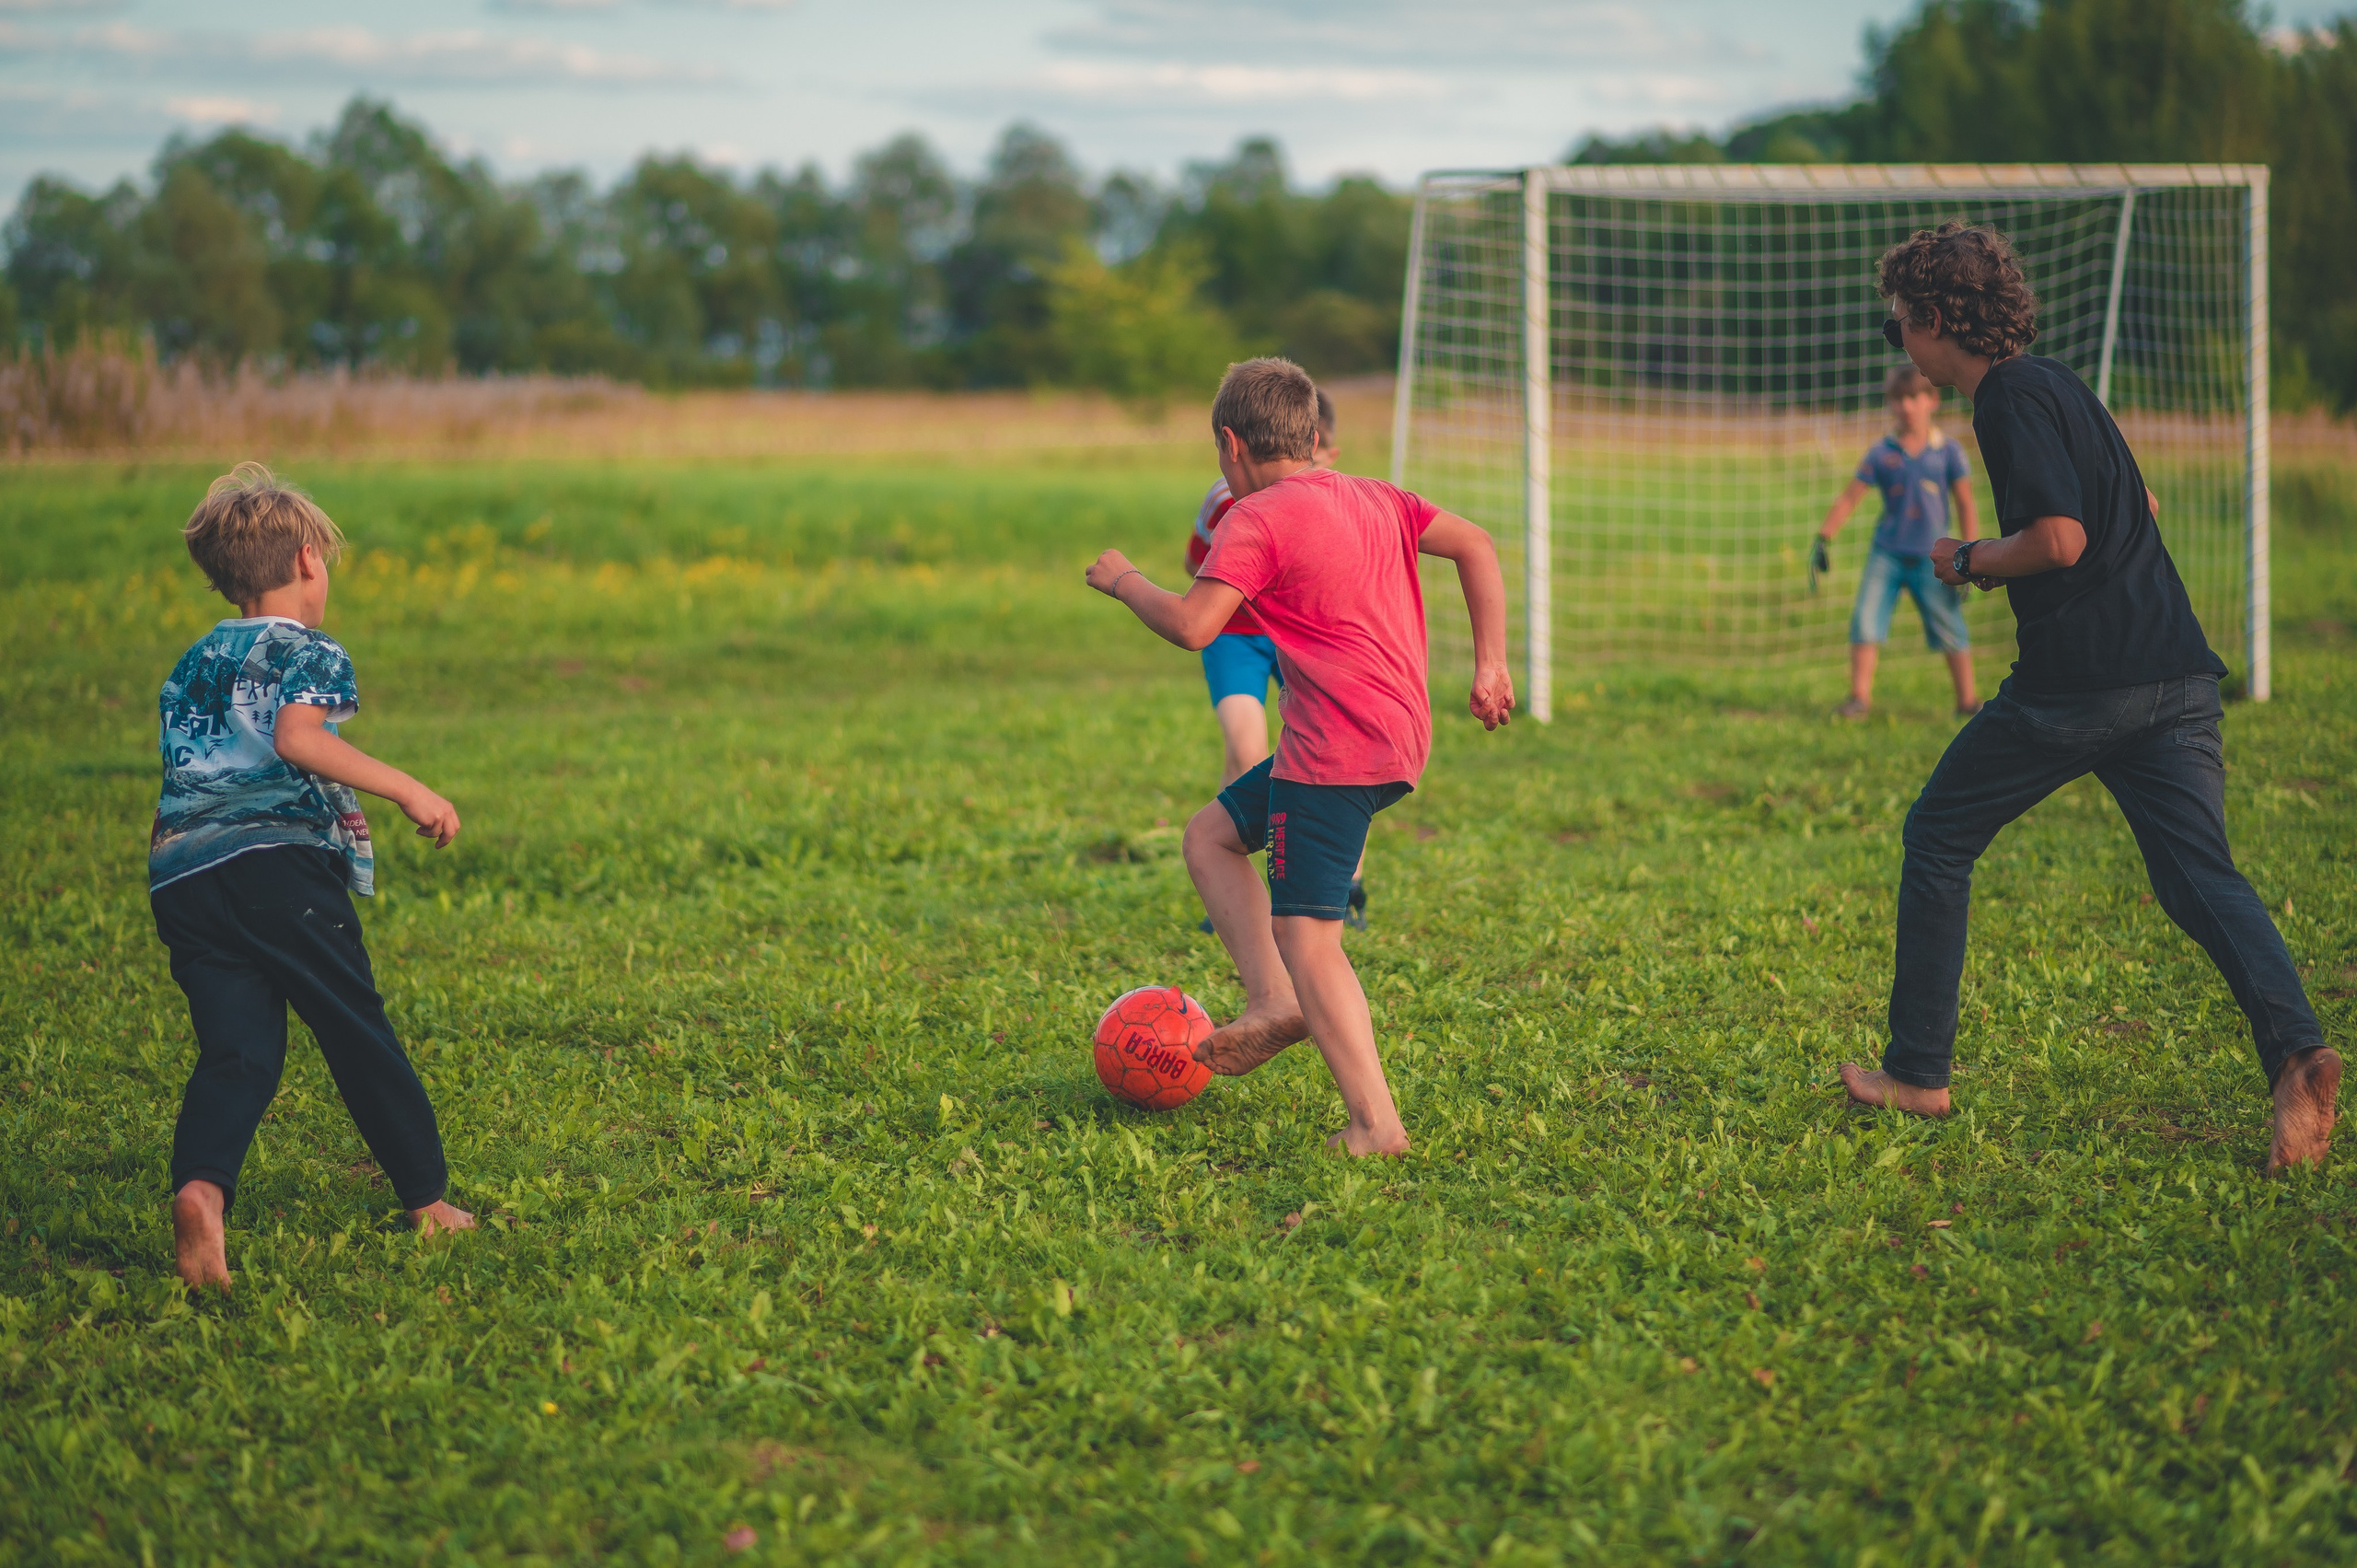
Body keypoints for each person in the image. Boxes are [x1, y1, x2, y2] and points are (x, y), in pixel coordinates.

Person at [1836, 224, 2339, 1173]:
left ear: (1937, 320)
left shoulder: (2004, 401)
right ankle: (2298, 1056)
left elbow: (2060, 539)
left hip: (2083, 682)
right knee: (2201, 879)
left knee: (1938, 833)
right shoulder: (2061, 383)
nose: (1895, 339)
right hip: (2176, 672)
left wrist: (1968, 559)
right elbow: (2137, 506)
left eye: (1896, 323)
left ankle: (1917, 1071)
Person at [1086, 358, 1515, 1156]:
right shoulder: (1376, 494)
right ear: (1314, 436)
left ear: (1230, 442)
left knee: (1312, 937)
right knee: (1209, 835)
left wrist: (1125, 581)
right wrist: (1490, 664)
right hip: (1394, 733)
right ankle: (1272, 1002)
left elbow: (1193, 625)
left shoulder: (1253, 517)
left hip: (1335, 749)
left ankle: (1376, 1123)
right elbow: (1477, 545)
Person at [150, 464, 473, 1292]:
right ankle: (428, 1199)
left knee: (238, 1050)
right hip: (278, 870)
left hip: (185, 878)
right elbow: (299, 738)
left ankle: (201, 1191)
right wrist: (408, 786)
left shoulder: (194, 661)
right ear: (305, 559)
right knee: (352, 1024)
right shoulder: (309, 648)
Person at [1190, 390, 1373, 929]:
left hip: (1299, 639)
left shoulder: (1341, 505)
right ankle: (1240, 891)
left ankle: (1345, 889)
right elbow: (1193, 565)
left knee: (1337, 759)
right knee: (1246, 747)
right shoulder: (1225, 502)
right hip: (1236, 636)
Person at [1815, 362, 1983, 718]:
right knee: (1865, 620)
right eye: (1897, 399)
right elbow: (1850, 497)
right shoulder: (1882, 452)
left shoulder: (1949, 452)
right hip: (1886, 554)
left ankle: (1967, 702)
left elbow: (1966, 503)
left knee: (1949, 623)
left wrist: (1971, 554)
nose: (1905, 406)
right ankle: (1859, 699)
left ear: (1931, 400)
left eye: (1913, 397)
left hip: (1934, 558)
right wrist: (1823, 536)